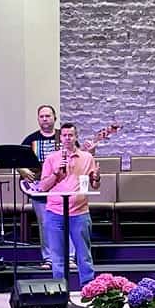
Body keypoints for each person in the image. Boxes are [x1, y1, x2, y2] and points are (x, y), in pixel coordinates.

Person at [37, 123, 98, 288]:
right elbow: (43, 187)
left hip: (79, 212)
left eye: (71, 135)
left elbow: (94, 185)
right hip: (55, 212)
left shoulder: (87, 158)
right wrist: (57, 173)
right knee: (57, 255)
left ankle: (88, 288)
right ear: (60, 138)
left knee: (84, 254)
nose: (67, 139)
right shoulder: (51, 159)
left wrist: (97, 178)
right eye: (64, 135)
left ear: (76, 137)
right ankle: (59, 288)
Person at [21, 104, 66, 270]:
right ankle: (49, 258)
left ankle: (68, 258)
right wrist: (23, 170)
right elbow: (17, 160)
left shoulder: (64, 136)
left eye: (48, 116)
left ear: (55, 117)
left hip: (62, 187)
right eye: (42, 116)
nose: (45, 119)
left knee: (67, 221)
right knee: (45, 223)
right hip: (39, 188)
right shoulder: (30, 139)